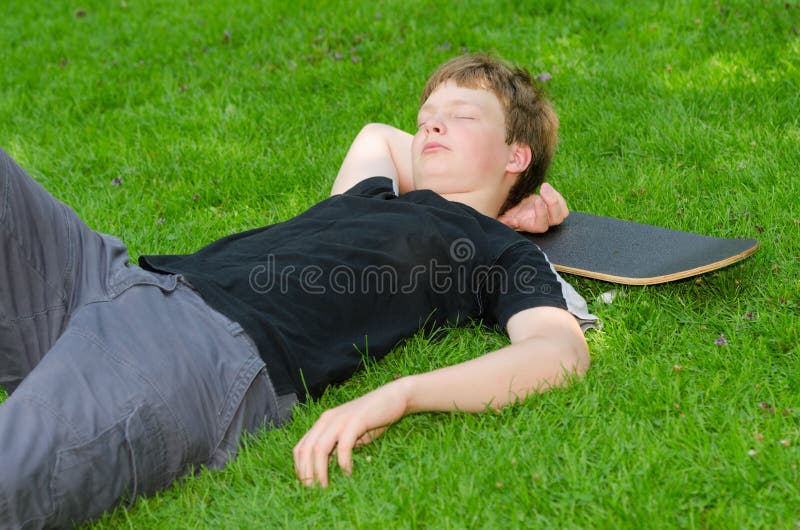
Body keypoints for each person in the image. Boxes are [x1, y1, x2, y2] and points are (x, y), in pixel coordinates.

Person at [0, 53, 596, 529]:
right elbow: (379, 135)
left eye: (462, 117)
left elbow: (559, 352)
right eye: (426, 118)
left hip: (191, 352)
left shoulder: (494, 252)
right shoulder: (371, 194)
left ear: (517, 152)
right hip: (104, 278)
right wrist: (516, 196)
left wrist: (403, 395)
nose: (430, 125)